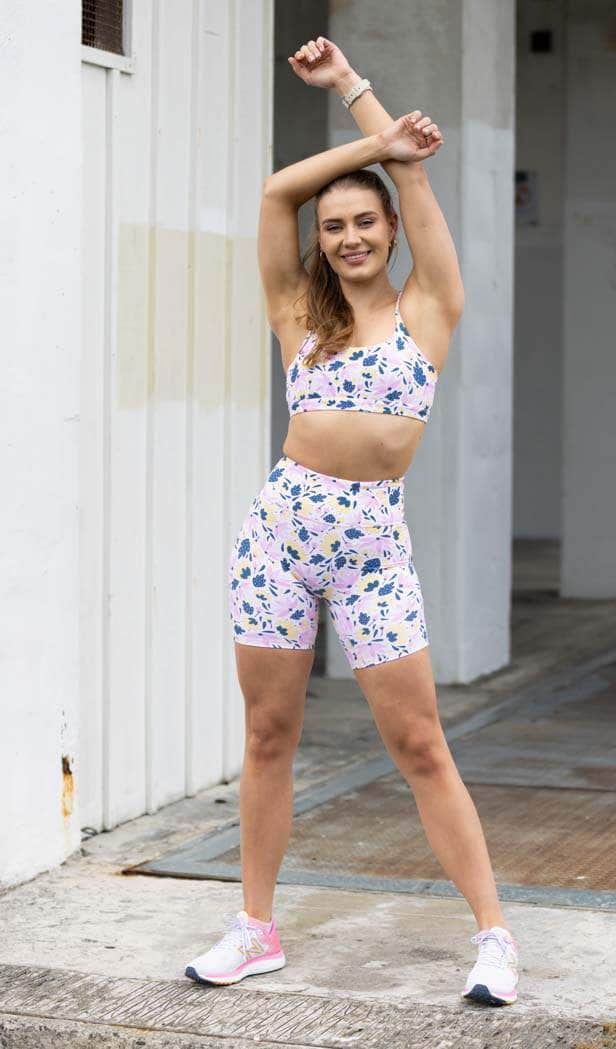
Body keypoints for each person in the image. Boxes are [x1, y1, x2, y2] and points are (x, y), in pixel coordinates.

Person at [185, 36, 519, 1007]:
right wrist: (363, 148)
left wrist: (351, 90)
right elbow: (274, 194)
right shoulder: (300, 312)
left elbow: (411, 173)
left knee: (419, 743)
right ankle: (255, 927)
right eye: (334, 226)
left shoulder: (428, 307)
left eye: (364, 221)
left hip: (372, 550)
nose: (348, 237)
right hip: (278, 539)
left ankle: (494, 935)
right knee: (267, 733)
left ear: (391, 227)